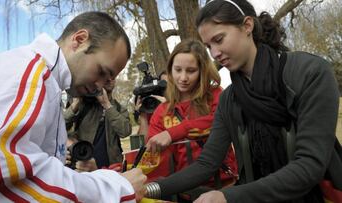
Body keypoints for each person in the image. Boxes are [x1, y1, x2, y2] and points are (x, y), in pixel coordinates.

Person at [145, 0, 341, 202]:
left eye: (219, 39)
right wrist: (150, 189)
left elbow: (310, 164)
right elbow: (207, 163)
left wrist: (228, 196)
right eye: (208, 46)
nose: (214, 53)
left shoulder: (309, 73)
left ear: (247, 26)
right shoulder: (229, 99)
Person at [0, 11, 146, 202]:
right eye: (101, 71)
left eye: (108, 80)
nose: (100, 86)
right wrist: (117, 188)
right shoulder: (30, 75)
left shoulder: (47, 82)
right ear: (79, 40)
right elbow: (5, 175)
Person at [145, 39, 237, 194]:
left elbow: (217, 121)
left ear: (202, 71)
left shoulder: (215, 95)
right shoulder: (162, 111)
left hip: (224, 187)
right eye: (178, 70)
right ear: (170, 70)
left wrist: (173, 132)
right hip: (184, 191)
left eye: (191, 70)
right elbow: (153, 154)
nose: (183, 78)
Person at [64, 76, 132, 171]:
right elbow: (61, 127)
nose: (109, 79)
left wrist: (107, 105)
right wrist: (75, 104)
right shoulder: (83, 105)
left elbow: (125, 132)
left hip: (112, 167)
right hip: (85, 165)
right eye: (106, 76)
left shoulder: (119, 109)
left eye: (113, 76)